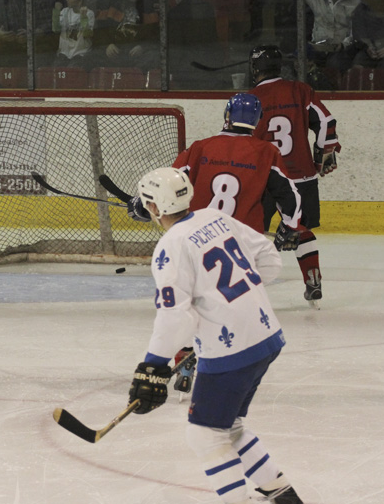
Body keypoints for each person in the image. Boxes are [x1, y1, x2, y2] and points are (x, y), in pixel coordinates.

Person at [126, 167, 305, 504]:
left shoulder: (169, 247)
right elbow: (269, 259)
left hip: (232, 349)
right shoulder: (215, 217)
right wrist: (234, 305)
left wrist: (152, 364)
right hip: (266, 335)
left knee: (204, 434)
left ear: (152, 208)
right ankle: (282, 495)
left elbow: (174, 313)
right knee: (228, 424)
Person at [248, 45, 341, 305]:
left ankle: (246, 288)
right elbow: (325, 122)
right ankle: (313, 278)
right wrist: (325, 151)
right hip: (302, 175)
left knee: (252, 232)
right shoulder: (300, 90)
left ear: (255, 69)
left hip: (266, 179)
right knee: (300, 228)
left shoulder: (251, 98)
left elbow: (243, 140)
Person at [158, 93, 302, 242]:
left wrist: (143, 205)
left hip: (199, 239)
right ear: (258, 120)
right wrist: (289, 226)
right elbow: (288, 195)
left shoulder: (199, 148)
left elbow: (169, 183)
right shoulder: (267, 152)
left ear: (227, 114)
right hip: (245, 241)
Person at [51, 0, 95, 66]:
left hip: (80, 53)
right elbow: (56, 29)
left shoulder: (89, 13)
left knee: (73, 70)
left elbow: (87, 35)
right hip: (64, 53)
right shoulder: (65, 11)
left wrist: (84, 18)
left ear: (79, 1)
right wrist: (56, 12)